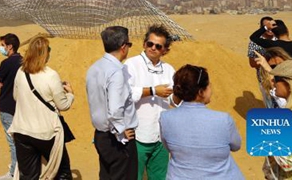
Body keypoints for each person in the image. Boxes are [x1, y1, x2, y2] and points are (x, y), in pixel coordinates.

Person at [159, 65, 243, 179]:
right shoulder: (223, 119)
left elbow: (168, 146)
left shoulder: (165, 118)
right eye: (209, 85)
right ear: (200, 92)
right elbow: (236, 146)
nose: (210, 88)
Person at [9, 36, 74, 180]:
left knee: (28, 175)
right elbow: (63, 105)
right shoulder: (51, 75)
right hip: (46, 133)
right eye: (48, 50)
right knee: (62, 171)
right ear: (45, 53)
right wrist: (70, 94)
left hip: (22, 131)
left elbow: (15, 96)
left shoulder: (21, 72)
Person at [85, 25, 138, 180]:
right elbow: (115, 110)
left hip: (101, 136)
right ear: (123, 47)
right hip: (117, 140)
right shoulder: (115, 72)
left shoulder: (94, 68)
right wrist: (121, 131)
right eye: (129, 44)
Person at [124, 24, 176, 180]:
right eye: (150, 44)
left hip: (161, 136)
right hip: (138, 134)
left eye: (158, 46)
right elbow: (126, 94)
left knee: (160, 177)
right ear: (144, 44)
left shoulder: (169, 70)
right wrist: (153, 91)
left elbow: (173, 100)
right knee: (134, 176)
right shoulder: (131, 65)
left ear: (164, 50)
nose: (153, 48)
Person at [0, 33, 22, 180]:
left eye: (3, 45)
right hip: (21, 107)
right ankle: (18, 167)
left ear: (10, 47)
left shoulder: (7, 63)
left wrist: (0, 83)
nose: (2, 48)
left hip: (7, 107)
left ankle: (13, 174)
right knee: (22, 141)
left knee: (13, 142)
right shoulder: (23, 61)